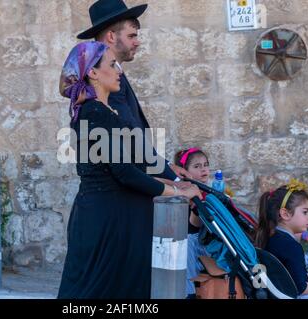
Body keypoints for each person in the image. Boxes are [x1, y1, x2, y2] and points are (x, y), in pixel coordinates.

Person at [57, 41, 203, 299]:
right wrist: (174, 192)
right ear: (93, 72)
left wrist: (176, 184)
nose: (119, 71)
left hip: (110, 216)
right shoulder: (95, 112)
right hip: (108, 222)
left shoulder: (98, 111)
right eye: (112, 65)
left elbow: (128, 166)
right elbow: (123, 173)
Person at [77, 0, 191, 185]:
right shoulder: (105, 85)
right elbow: (133, 142)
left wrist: (167, 165)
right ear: (111, 37)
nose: (137, 42)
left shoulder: (113, 76)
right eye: (131, 36)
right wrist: (177, 182)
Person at [254, 179, 308, 299]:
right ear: (285, 214)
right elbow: (301, 289)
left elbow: (290, 274)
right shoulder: (291, 247)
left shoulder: (272, 238)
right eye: (305, 212)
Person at [174, 148, 210, 298]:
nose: (204, 169)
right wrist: (199, 207)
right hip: (191, 248)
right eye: (197, 166)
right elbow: (193, 227)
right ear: (184, 172)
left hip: (204, 244)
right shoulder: (185, 193)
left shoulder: (208, 190)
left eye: (206, 164)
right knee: (191, 288)